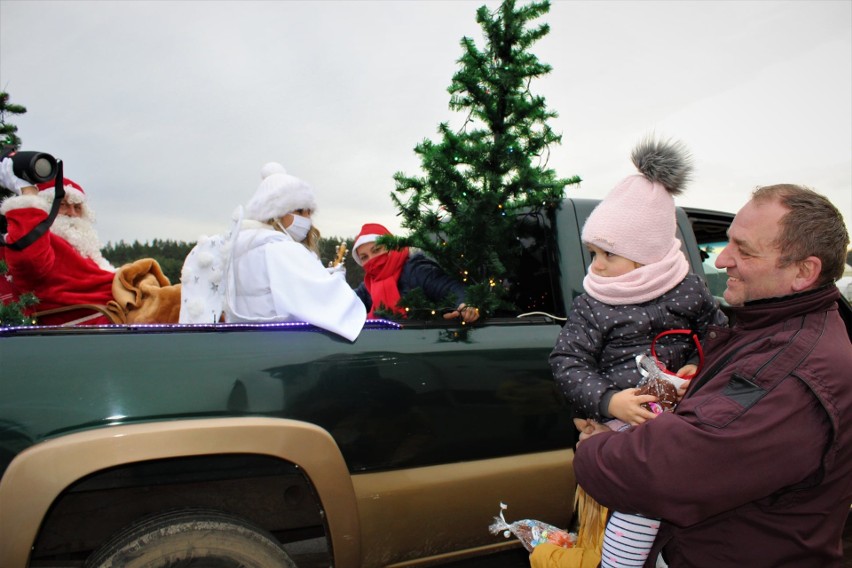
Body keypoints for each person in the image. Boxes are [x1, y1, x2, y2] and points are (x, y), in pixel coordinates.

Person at [571, 184, 852, 567]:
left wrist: (593, 448)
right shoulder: (768, 329)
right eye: (728, 243)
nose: (720, 262)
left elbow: (662, 474)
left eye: (744, 250)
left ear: (804, 271)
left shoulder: (793, 370)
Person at [547, 137, 728, 567]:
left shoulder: (687, 288)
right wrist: (610, 401)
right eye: (593, 252)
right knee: (638, 503)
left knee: (665, 507)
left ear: (647, 256)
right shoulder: (595, 300)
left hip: (679, 419)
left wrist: (694, 366)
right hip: (622, 421)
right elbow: (567, 360)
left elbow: (719, 337)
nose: (596, 266)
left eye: (608, 254)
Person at [180, 162, 366, 342]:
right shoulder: (282, 249)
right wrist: (336, 280)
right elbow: (326, 304)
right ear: (274, 212)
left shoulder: (235, 249)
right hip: (284, 347)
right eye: (300, 211)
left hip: (244, 344)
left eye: (309, 212)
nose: (307, 219)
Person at [0, 158, 116, 325]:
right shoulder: (41, 242)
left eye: (77, 208)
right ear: (43, 208)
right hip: (81, 332)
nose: (72, 214)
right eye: (62, 205)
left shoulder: (84, 251)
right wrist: (27, 194)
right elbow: (29, 258)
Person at [351, 222, 480, 323]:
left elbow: (451, 288)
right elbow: (347, 301)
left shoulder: (416, 270)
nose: (372, 259)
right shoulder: (370, 284)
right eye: (364, 257)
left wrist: (464, 305)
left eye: (376, 250)